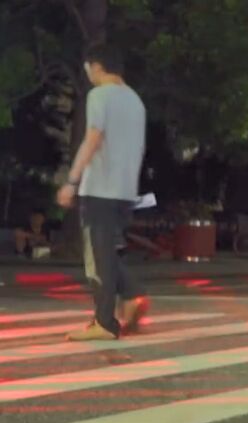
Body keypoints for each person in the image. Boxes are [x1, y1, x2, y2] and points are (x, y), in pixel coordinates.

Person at [57, 44, 150, 342]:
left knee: (97, 259)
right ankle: (132, 295)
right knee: (107, 253)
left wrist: (72, 180)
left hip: (99, 188)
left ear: (97, 66)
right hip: (125, 191)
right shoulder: (135, 101)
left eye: (88, 69)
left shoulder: (99, 96)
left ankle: (105, 322)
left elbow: (93, 138)